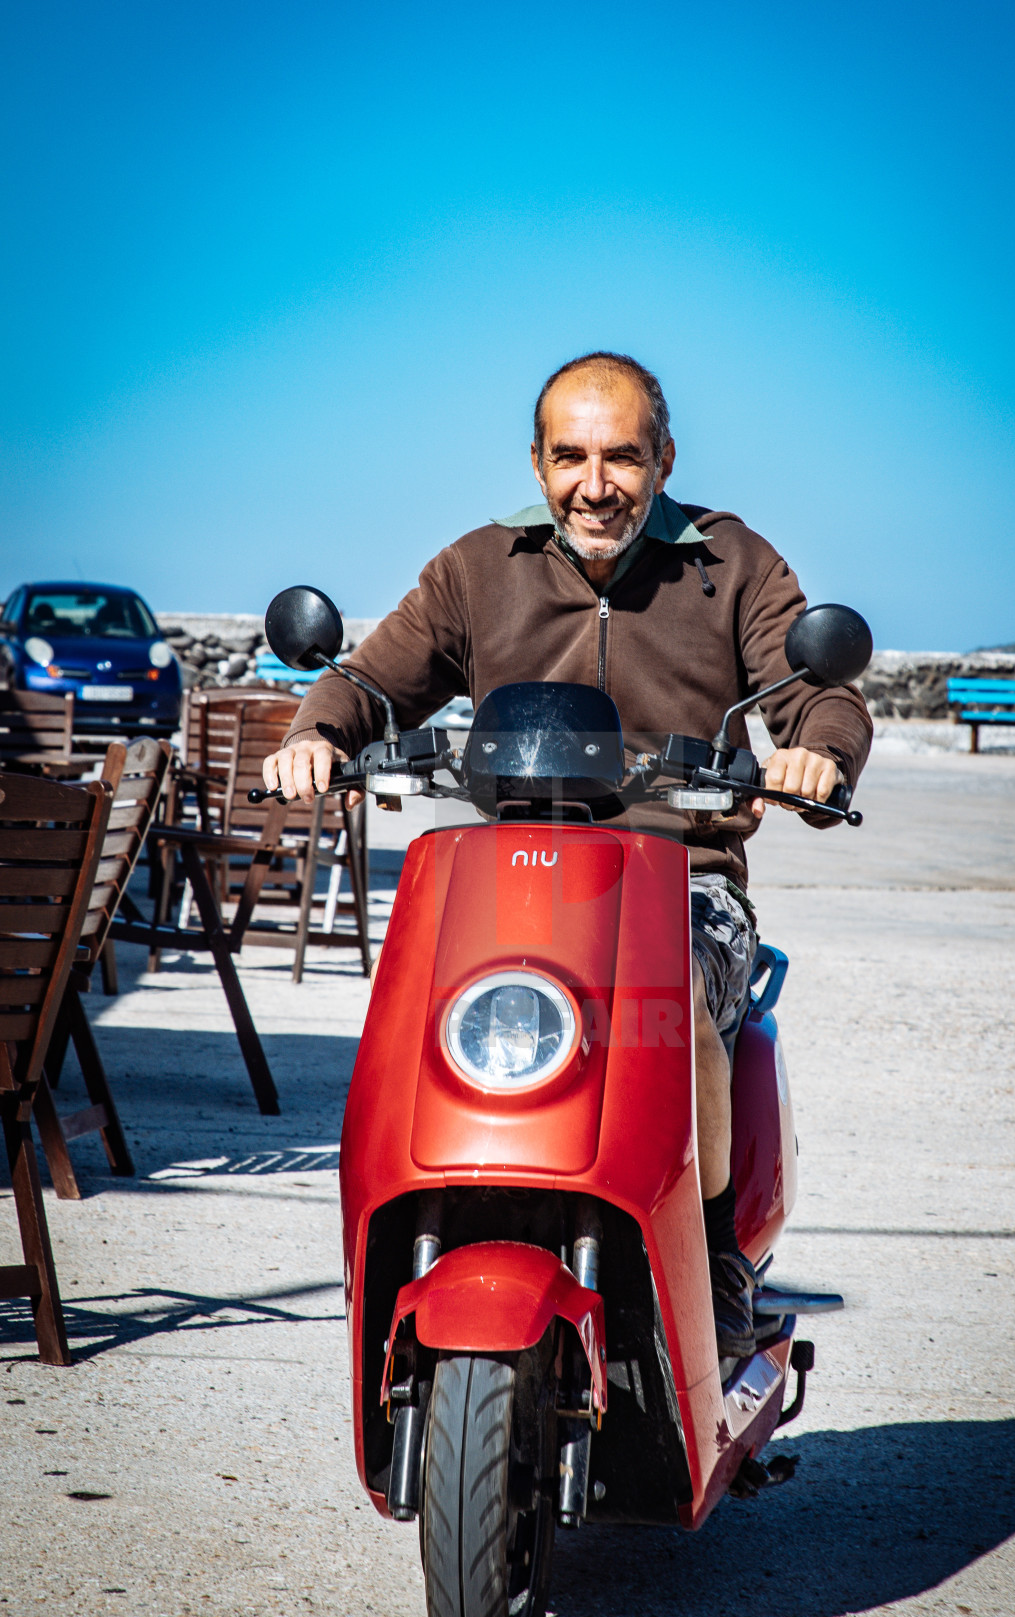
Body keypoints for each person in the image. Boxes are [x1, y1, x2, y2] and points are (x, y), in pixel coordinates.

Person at [264, 352, 873, 1358]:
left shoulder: (733, 565)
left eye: (624, 458)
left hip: (680, 881)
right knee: (417, 1011)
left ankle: (714, 1257)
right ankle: (412, 1230)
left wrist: (816, 751)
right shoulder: (478, 567)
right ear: (538, 463)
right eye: (573, 457)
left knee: (676, 1004)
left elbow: (814, 693)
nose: (598, 485)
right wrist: (315, 735)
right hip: (508, 879)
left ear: (665, 458)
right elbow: (374, 682)